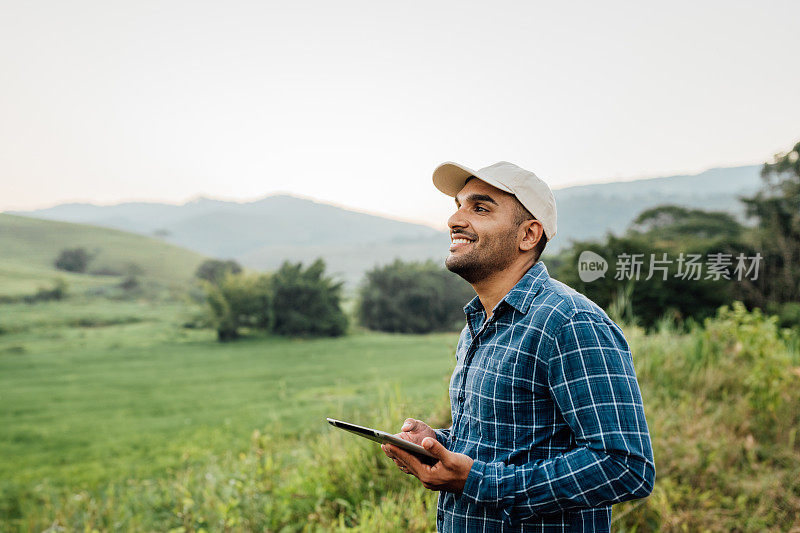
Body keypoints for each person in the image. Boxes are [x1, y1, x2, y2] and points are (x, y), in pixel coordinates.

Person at [381, 161, 655, 532]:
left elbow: (625, 466)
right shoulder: (479, 325)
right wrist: (437, 444)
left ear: (528, 235)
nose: (455, 220)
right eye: (458, 205)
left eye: (480, 208)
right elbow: (503, 441)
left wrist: (478, 482)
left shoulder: (568, 321)